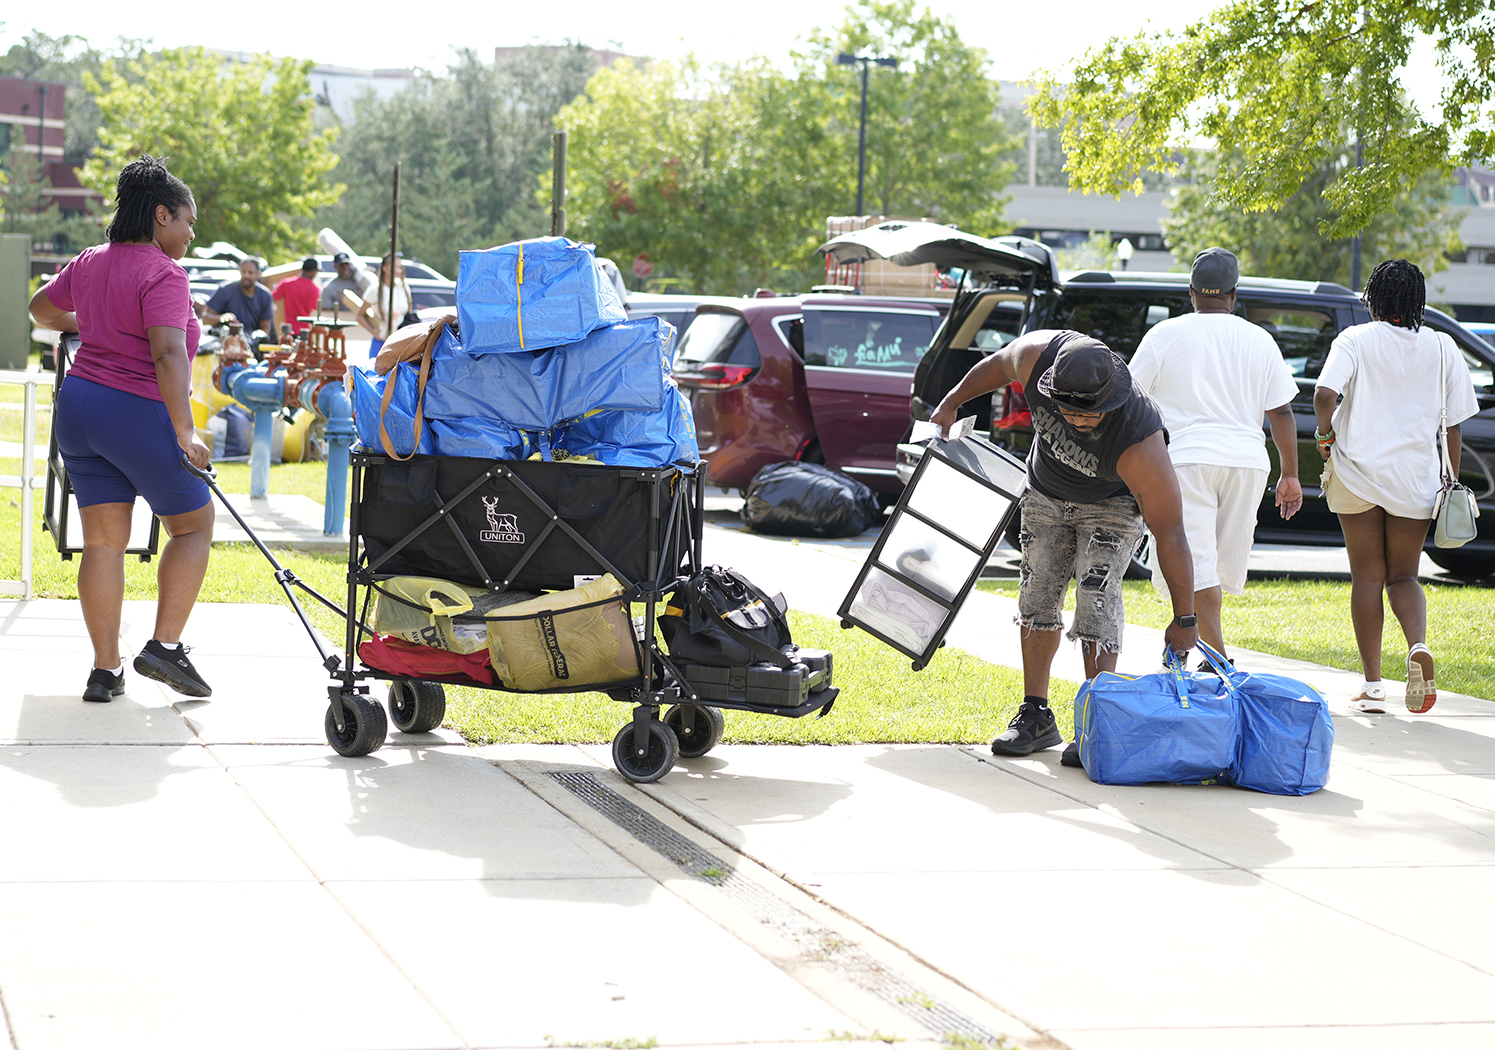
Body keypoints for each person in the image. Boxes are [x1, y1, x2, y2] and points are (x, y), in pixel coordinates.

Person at [930, 330, 1199, 761]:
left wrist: (1185, 618)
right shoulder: (1034, 357)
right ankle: (1035, 716)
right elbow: (998, 364)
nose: (1077, 421)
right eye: (1068, 411)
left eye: (1090, 415)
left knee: (1096, 597)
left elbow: (1171, 533)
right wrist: (950, 402)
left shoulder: (1140, 441)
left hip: (1111, 506)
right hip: (1044, 493)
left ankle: (1095, 725)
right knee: (1036, 596)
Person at [27, 154, 216, 703]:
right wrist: (186, 430)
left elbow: (41, 308)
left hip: (81, 410)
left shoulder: (91, 260)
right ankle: (163, 646)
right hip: (136, 410)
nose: (190, 232)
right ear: (161, 216)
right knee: (194, 526)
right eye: (186, 220)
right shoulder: (163, 272)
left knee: (104, 543)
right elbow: (166, 352)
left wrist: (86, 320)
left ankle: (105, 671)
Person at [1313, 259, 1478, 714]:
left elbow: (1325, 394)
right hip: (1415, 479)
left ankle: (1372, 686)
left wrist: (1325, 437)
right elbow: (1456, 426)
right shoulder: (1443, 347)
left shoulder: (1356, 339)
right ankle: (1417, 645)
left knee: (1367, 576)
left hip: (1356, 473)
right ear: (1418, 302)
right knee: (1404, 575)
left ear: (1373, 299)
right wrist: (1451, 479)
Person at [1128, 246, 1303, 663]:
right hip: (1247, 462)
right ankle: (1204, 645)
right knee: (1217, 564)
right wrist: (1291, 474)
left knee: (1196, 559)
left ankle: (1206, 648)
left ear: (1191, 292)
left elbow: (1130, 395)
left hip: (1187, 459)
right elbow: (1280, 411)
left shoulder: (1165, 334)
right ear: (1233, 295)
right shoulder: (1260, 339)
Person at [356, 251, 416, 357]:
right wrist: (372, 330)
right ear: (384, 268)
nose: (398, 270)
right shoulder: (375, 290)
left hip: (402, 341)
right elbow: (360, 316)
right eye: (394, 267)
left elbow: (409, 313)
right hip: (382, 340)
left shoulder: (404, 288)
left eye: (400, 267)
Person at [203, 256, 274, 337]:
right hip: (225, 340)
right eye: (243, 272)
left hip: (250, 342)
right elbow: (206, 319)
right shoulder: (225, 290)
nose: (246, 275)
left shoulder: (265, 295)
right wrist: (222, 317)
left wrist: (256, 340)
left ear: (258, 274)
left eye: (250, 272)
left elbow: (265, 329)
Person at [273, 257, 323, 335]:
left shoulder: (287, 283)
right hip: (305, 331)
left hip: (289, 330)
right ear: (313, 271)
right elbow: (314, 310)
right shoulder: (314, 290)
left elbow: (272, 298)